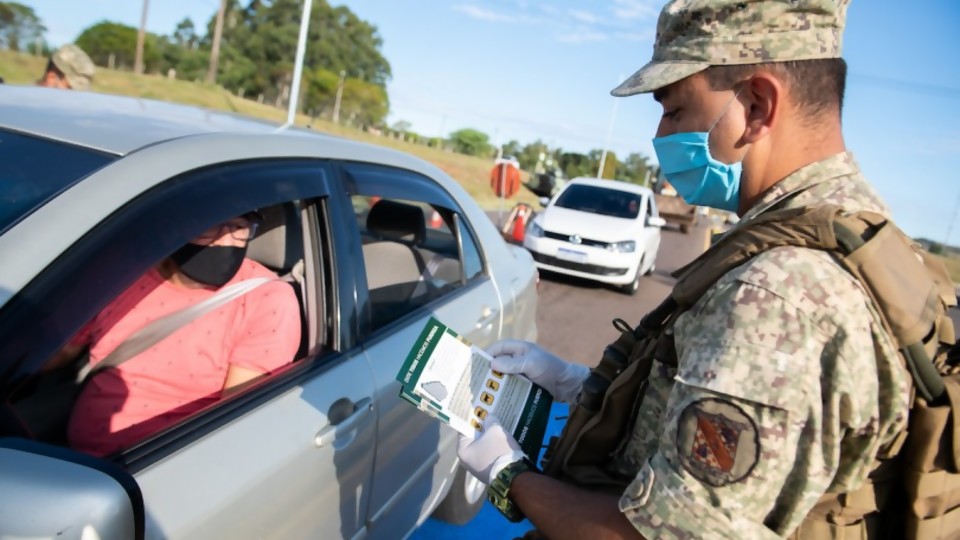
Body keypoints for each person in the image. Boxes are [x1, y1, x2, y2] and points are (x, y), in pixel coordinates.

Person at [457, 0, 916, 538]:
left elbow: (664, 534)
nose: (661, 133)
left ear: (759, 104)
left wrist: (511, 477)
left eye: (675, 110)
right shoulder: (862, 237)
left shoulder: (778, 289)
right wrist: (574, 382)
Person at [47, 213, 301, 457]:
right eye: (210, 225)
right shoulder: (121, 275)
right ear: (173, 227)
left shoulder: (264, 299)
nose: (225, 240)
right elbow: (58, 354)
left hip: (156, 469)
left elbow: (236, 422)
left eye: (239, 227)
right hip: (72, 459)